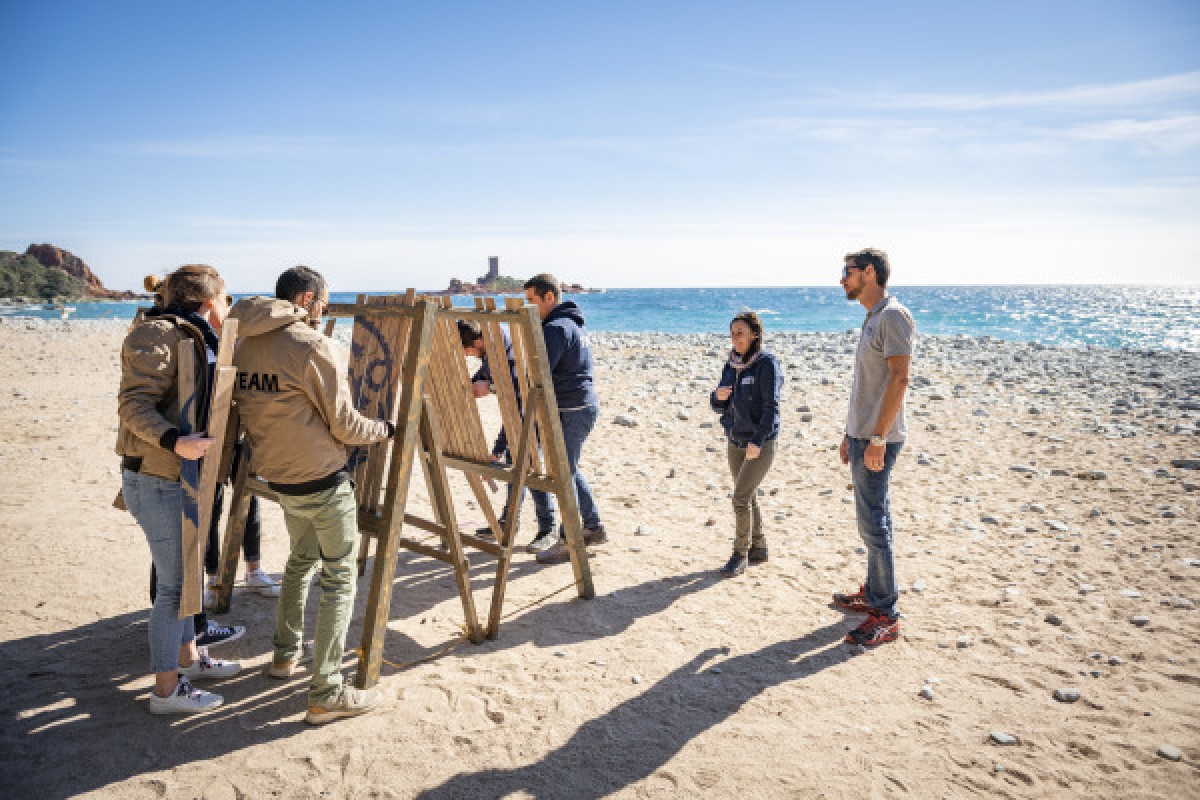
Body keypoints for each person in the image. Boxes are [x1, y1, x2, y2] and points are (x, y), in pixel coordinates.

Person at [229, 266, 393, 724]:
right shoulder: (309, 345)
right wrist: (385, 429)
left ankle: (284, 657)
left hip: (279, 476)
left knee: (301, 560)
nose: (323, 311)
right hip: (321, 476)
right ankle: (325, 692)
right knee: (340, 577)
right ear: (306, 299)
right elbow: (344, 424)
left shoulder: (245, 341)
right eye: (323, 302)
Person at [117, 265, 242, 714]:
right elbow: (133, 404)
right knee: (173, 587)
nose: (228, 306)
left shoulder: (197, 335)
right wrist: (175, 440)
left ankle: (189, 659)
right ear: (210, 299)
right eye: (225, 298)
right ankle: (166, 691)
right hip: (158, 478)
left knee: (187, 578)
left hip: (182, 479)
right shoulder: (156, 334)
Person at [833, 248, 915, 647]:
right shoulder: (873, 317)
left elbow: (900, 379)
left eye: (846, 272)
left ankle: (887, 614)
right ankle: (874, 591)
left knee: (874, 522)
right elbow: (868, 385)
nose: (841, 279)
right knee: (871, 519)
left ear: (869, 273)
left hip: (879, 437)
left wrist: (878, 438)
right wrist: (851, 433)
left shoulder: (894, 316)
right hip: (864, 434)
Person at [520, 274, 607, 565]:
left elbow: (541, 374)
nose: (527, 307)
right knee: (566, 469)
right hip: (581, 406)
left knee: (563, 473)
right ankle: (592, 526)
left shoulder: (556, 328)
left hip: (572, 409)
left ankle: (570, 538)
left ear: (549, 298)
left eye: (532, 301)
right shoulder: (570, 324)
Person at [457, 319, 558, 551]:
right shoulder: (492, 343)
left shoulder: (505, 353)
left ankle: (548, 528)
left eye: (468, 351)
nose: (468, 356)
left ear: (479, 341)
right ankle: (508, 522)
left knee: (530, 468)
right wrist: (469, 385)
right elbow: (487, 373)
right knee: (516, 465)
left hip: (534, 411)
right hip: (518, 412)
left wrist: (490, 387)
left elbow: (517, 392)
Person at [709, 311, 783, 577]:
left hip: (759, 443)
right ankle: (759, 547)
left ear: (754, 334)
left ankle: (739, 554)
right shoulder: (731, 365)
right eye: (732, 333)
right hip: (735, 440)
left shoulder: (767, 364)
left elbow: (771, 407)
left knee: (739, 498)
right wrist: (717, 397)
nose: (735, 338)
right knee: (747, 495)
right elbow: (719, 405)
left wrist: (758, 440)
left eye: (740, 333)